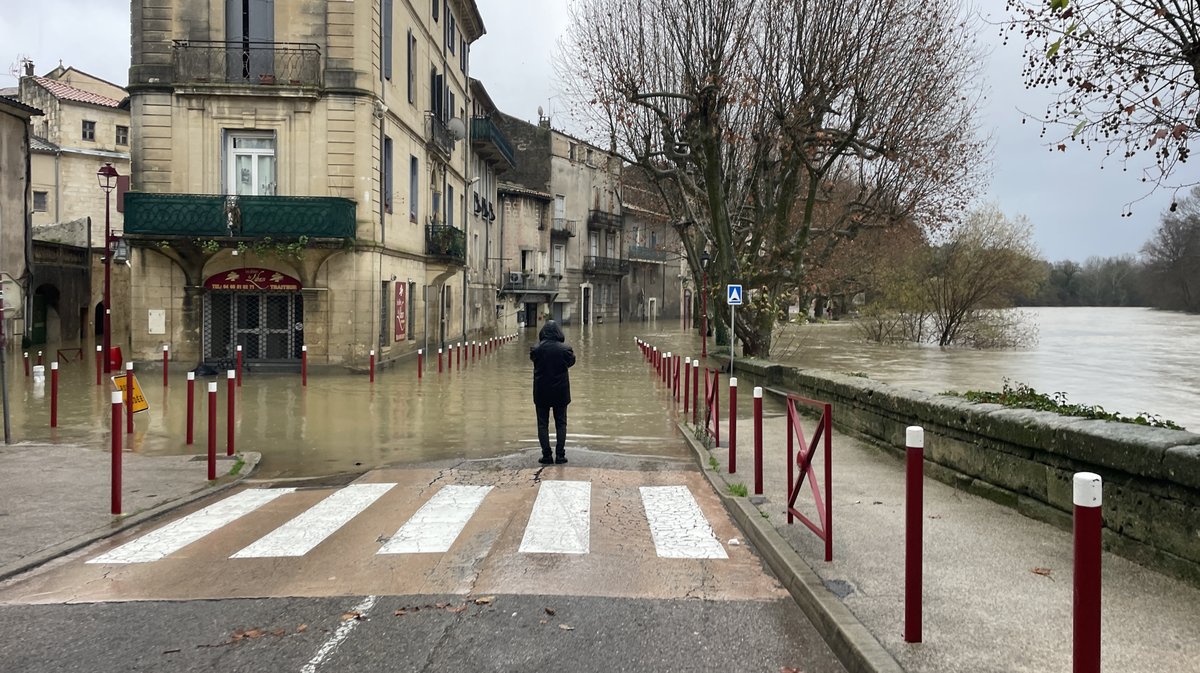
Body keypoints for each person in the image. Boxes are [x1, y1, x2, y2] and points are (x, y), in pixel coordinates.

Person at [530, 320, 575, 464]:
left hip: (541, 392)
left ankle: (547, 455)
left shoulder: (536, 349)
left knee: (542, 424)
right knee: (561, 423)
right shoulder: (565, 349)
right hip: (560, 392)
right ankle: (560, 455)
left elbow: (534, 360)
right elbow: (571, 362)